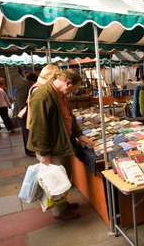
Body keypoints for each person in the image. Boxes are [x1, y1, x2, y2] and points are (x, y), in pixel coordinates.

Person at [27, 69, 94, 221]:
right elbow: (38, 126)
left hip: (61, 144)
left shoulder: (61, 94)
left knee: (63, 177)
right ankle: (59, 212)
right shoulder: (42, 96)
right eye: (73, 89)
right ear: (67, 83)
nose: (73, 92)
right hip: (51, 147)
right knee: (55, 180)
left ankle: (62, 204)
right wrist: (44, 153)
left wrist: (79, 134)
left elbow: (70, 117)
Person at [15, 73, 38, 156]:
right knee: (27, 131)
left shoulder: (24, 84)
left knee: (27, 131)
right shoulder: (23, 85)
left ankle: (30, 150)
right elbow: (20, 101)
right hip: (24, 113)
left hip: (24, 112)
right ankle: (30, 150)